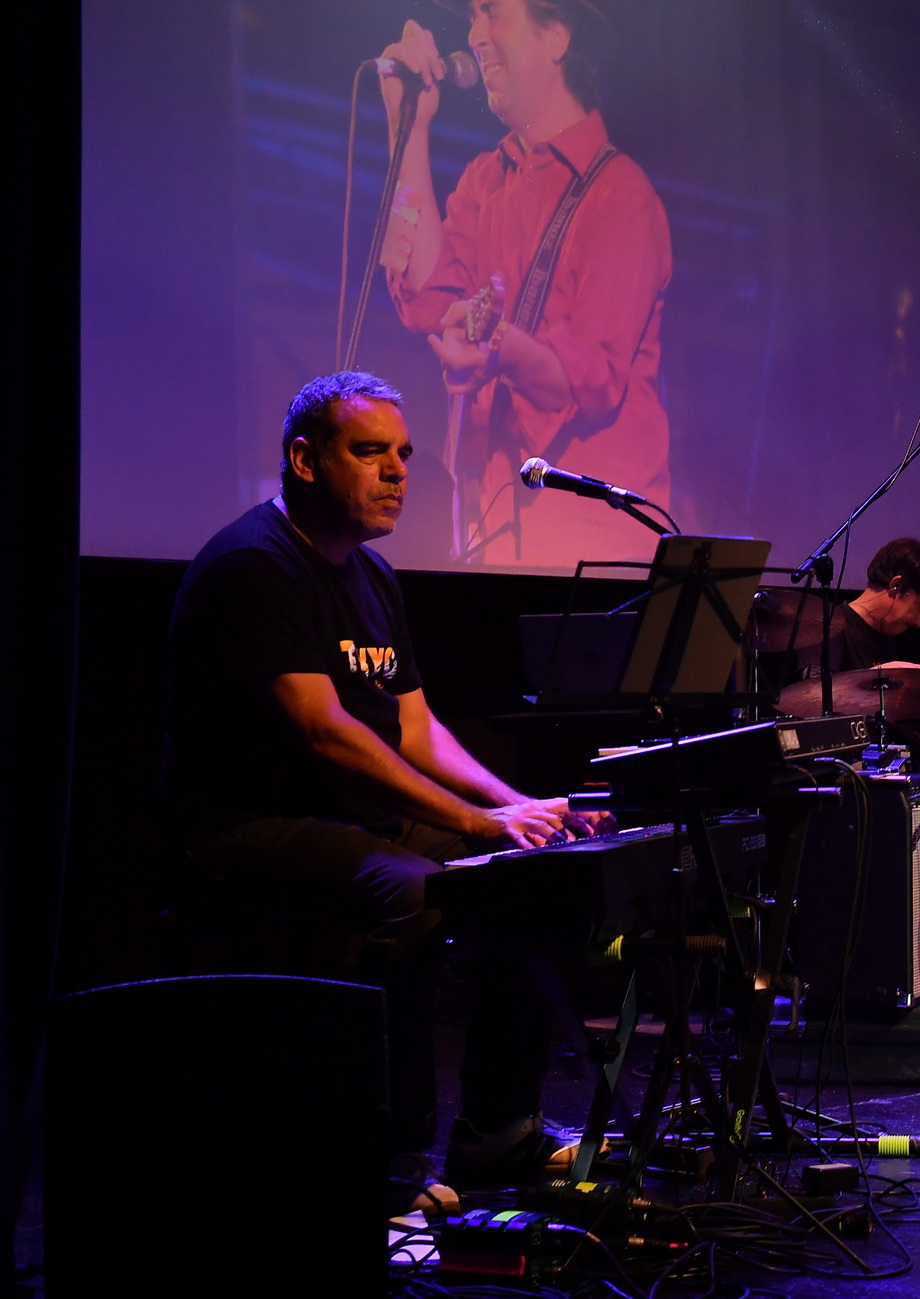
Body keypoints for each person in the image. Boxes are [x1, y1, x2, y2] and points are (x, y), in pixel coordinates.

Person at [163, 372, 611, 1203]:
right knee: (419, 897)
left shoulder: (372, 576)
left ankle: (497, 1134)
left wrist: (513, 807)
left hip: (353, 818)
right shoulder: (254, 565)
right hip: (250, 826)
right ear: (306, 459)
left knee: (541, 871)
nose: (398, 470)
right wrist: (473, 824)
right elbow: (325, 733)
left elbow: (415, 727)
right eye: (370, 452)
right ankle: (389, 1166)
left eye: (402, 453)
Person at [380, 0, 672, 568]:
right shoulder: (485, 181)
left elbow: (582, 380)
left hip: (591, 561)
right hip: (487, 541)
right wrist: (406, 129)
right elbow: (425, 299)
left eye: (492, 11)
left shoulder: (621, 194)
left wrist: (496, 344)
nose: (474, 35)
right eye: (472, 16)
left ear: (556, 35)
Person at [784, 537, 920, 680]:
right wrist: (877, 675)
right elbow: (814, 694)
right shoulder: (827, 624)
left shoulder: (887, 641)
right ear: (896, 585)